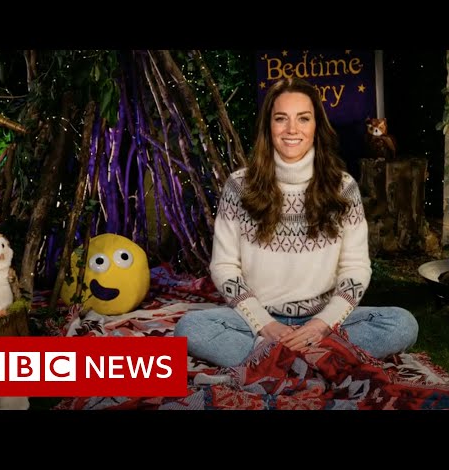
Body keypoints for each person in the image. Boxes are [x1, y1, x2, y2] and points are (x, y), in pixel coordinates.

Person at [174, 77, 418, 368]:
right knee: (190, 328)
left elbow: (355, 268)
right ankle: (320, 362)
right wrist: (264, 324)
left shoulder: (343, 187)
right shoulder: (239, 187)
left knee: (402, 324)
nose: (292, 129)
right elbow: (225, 266)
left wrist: (322, 324)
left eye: (303, 118)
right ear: (268, 126)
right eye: (281, 118)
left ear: (316, 126)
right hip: (258, 319)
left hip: (322, 318)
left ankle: (274, 363)